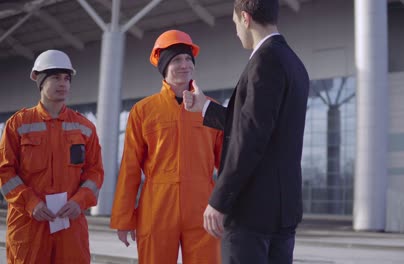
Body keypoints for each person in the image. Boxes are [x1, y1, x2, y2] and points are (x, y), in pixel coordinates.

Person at [183, 0, 310, 263]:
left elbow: (250, 137)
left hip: (252, 212)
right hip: (283, 211)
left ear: (245, 18)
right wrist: (204, 106)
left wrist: (220, 199)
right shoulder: (295, 64)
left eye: (234, 24)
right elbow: (254, 123)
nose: (236, 31)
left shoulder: (264, 61)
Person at [110, 29, 223, 264]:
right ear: (163, 66)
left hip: (203, 207)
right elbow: (130, 168)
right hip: (157, 207)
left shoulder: (211, 109)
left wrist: (228, 205)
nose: (184, 65)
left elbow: (227, 164)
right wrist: (124, 218)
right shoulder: (143, 111)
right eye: (176, 60)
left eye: (188, 60)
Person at [0, 49, 104, 263]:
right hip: (29, 225)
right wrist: (31, 203)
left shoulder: (85, 128)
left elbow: (95, 172)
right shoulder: (18, 124)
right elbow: (5, 171)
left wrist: (79, 201)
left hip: (70, 224)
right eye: (56, 77)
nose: (63, 83)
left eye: (67, 78)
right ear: (39, 80)